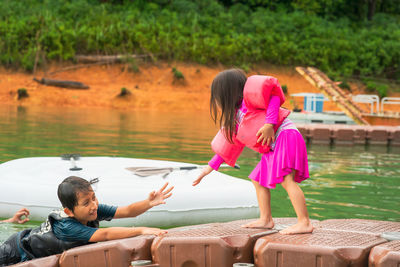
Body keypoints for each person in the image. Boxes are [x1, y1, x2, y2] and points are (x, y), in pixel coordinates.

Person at [192, 69, 313, 235]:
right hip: (275, 145)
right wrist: (208, 169)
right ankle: (266, 219)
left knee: (287, 180)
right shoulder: (235, 118)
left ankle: (304, 222)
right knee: (257, 179)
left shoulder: (251, 101)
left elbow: (274, 96)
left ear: (226, 93)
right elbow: (227, 147)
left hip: (286, 136)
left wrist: (269, 124)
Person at [0, 176, 173, 266]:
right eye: (86, 202)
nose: (94, 205)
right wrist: (142, 230)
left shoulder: (91, 210)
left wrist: (149, 203)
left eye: (94, 198)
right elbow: (104, 234)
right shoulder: (67, 227)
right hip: (14, 252)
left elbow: (127, 211)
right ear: (69, 211)